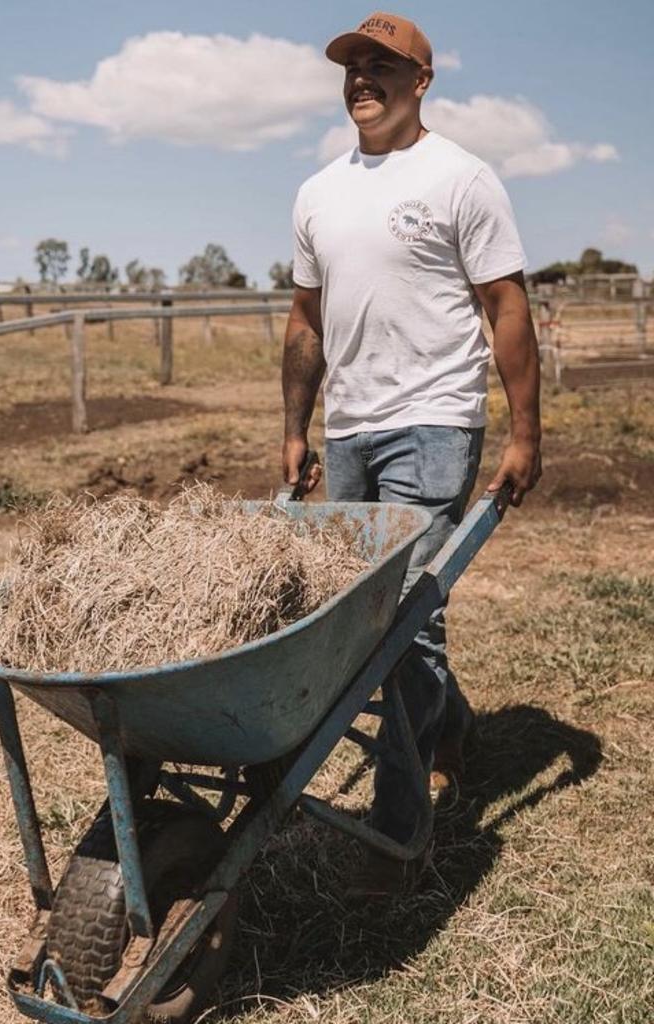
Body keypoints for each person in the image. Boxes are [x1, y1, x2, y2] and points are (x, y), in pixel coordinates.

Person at [281, 11, 542, 894]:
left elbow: (506, 305)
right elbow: (306, 322)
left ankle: (397, 834)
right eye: (352, 65)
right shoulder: (318, 191)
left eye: (381, 66)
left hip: (435, 421)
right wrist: (295, 427)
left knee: (403, 627)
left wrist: (524, 430)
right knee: (367, 615)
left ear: (420, 81)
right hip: (349, 427)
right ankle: (452, 726)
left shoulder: (461, 178)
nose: (361, 78)